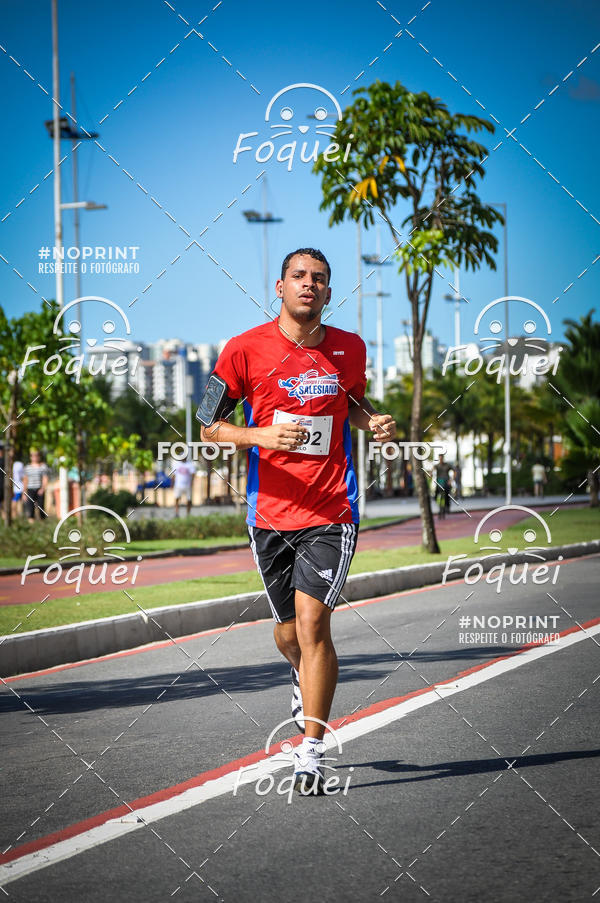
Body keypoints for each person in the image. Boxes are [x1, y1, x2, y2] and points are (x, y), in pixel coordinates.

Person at [198, 248, 396, 794]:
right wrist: (259, 435)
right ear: (279, 287)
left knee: (313, 626)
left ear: (328, 292)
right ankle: (300, 674)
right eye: (299, 276)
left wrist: (373, 421)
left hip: (332, 508)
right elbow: (207, 425)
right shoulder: (243, 349)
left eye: (320, 279)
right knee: (288, 634)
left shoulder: (349, 348)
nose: (309, 284)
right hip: (269, 512)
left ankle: (311, 749)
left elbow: (352, 405)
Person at [22, 449, 49, 521]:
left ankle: (42, 522)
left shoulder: (43, 466)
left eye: (37, 455)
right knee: (30, 507)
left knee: (41, 507)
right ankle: (31, 523)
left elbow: (45, 478)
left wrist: (42, 489)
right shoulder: (27, 467)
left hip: (39, 489)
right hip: (30, 489)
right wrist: (24, 492)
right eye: (33, 455)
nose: (35, 457)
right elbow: (25, 480)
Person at [434, 454, 452, 518]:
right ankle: (440, 507)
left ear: (443, 458)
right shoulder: (437, 466)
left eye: (441, 458)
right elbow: (432, 470)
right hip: (439, 483)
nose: (441, 459)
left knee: (447, 496)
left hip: (446, 483)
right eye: (440, 458)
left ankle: (447, 507)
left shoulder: (447, 465)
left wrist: (451, 480)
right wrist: (430, 473)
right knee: (436, 495)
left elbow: (454, 471)